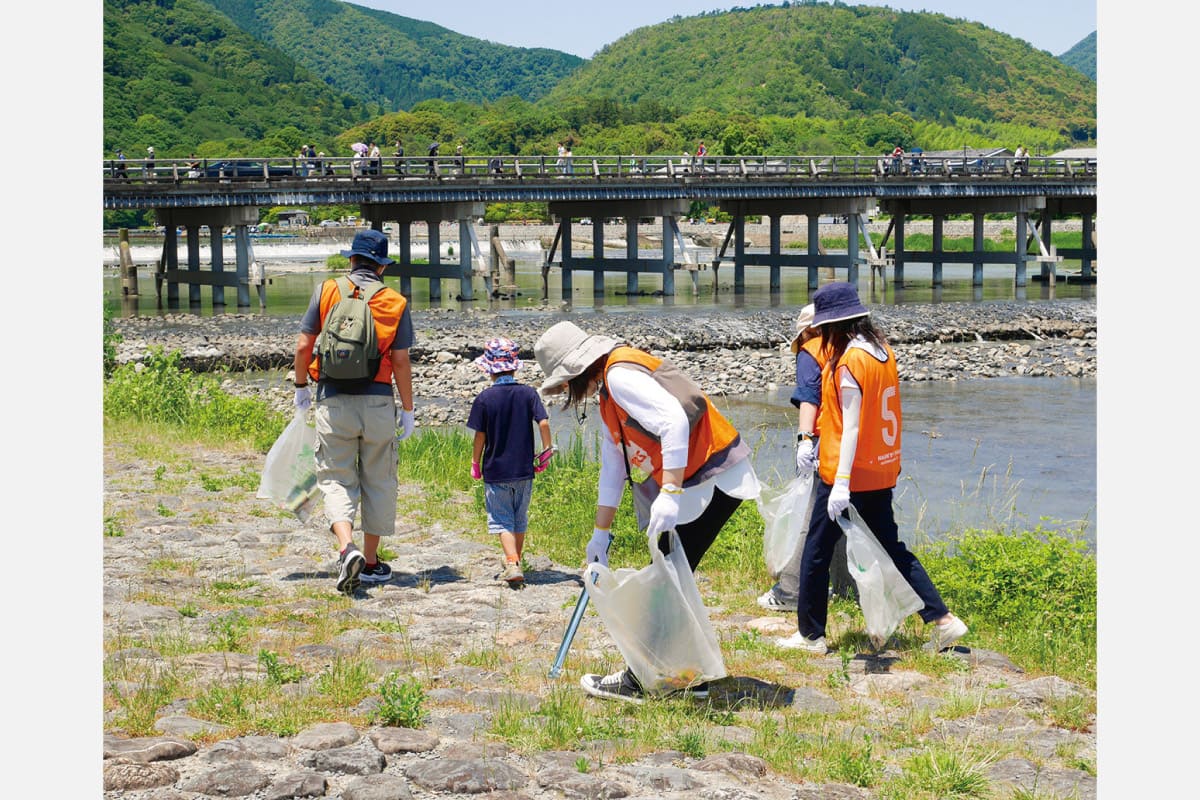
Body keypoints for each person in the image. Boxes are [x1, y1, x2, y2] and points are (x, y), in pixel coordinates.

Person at [534, 321, 761, 703]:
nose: (567, 394)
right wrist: (600, 532)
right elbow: (614, 465)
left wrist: (670, 493)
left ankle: (645, 681)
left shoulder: (619, 376)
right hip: (700, 481)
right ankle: (687, 678)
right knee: (670, 576)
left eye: (563, 385)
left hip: (709, 477)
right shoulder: (610, 394)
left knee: (664, 580)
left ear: (575, 371)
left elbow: (673, 421)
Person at [775, 282, 967, 655]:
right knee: (894, 548)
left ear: (832, 326)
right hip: (881, 468)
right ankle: (942, 620)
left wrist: (841, 483)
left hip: (846, 473)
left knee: (816, 551)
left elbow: (852, 426)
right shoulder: (882, 352)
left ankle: (811, 635)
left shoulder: (849, 361)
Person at [292, 229, 417, 596]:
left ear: (351, 260)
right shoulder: (395, 301)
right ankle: (373, 562)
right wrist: (408, 410)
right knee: (378, 479)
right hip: (378, 401)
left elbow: (303, 346)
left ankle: (347, 548)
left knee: (335, 478)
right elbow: (400, 361)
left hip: (333, 399)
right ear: (382, 266)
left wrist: (301, 389)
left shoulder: (327, 291)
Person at [467, 337, 554, 586]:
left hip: (496, 470)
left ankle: (512, 562)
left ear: (489, 369)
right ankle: (516, 559)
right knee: (519, 516)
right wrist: (546, 452)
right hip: (524, 469)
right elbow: (544, 422)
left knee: (501, 518)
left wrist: (475, 462)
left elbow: (480, 436)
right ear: (515, 366)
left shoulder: (485, 399)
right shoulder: (528, 393)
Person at [757, 304, 824, 612]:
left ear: (807, 331)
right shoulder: (846, 350)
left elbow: (810, 396)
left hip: (822, 441)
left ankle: (790, 591)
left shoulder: (810, 352)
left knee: (808, 516)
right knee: (838, 515)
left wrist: (804, 439)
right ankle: (844, 586)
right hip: (850, 441)